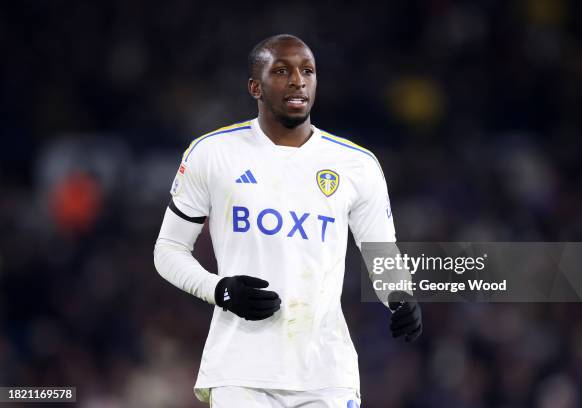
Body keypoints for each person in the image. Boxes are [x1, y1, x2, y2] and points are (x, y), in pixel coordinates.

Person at [153, 34, 422, 407]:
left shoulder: (357, 165)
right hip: (240, 373)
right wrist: (220, 290)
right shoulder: (213, 154)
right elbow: (168, 249)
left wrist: (400, 296)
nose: (298, 80)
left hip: (328, 374)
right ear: (255, 87)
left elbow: (381, 252)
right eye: (282, 71)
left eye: (307, 71)